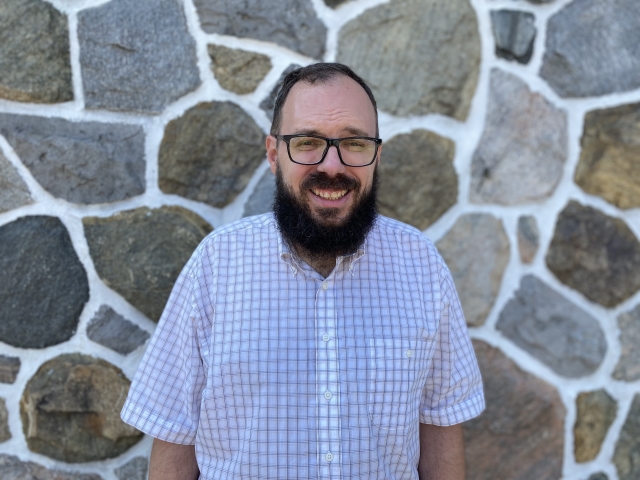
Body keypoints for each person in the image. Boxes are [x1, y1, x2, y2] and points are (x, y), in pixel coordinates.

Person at [121, 62, 484, 480]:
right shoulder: (216, 266)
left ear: (376, 156)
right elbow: (174, 434)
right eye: (308, 142)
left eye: (355, 143)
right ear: (274, 154)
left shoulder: (421, 266)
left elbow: (440, 427)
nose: (332, 165)